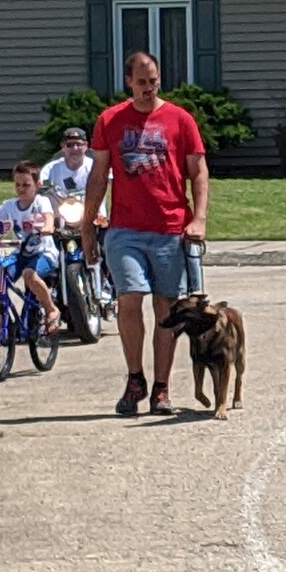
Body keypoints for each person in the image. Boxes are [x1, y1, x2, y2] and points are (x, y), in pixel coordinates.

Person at [82, 50, 210, 417]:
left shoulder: (180, 120)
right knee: (130, 298)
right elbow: (97, 177)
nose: (148, 88)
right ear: (128, 82)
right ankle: (135, 377)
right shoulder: (110, 120)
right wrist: (88, 226)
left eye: (153, 81)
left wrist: (198, 218)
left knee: (166, 308)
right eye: (141, 82)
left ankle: (161, 388)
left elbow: (199, 172)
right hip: (126, 229)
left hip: (170, 227)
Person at [0, 161, 65, 337]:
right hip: (20, 253)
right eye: (17, 185)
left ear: (38, 185)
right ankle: (0, 323)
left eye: (26, 184)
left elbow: (48, 217)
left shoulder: (41, 201)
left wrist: (47, 227)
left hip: (43, 253)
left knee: (28, 274)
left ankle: (51, 309)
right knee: (0, 277)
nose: (21, 189)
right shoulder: (9, 205)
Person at [41, 126, 96, 210]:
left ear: (86, 146)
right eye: (69, 145)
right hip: (60, 214)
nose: (75, 148)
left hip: (92, 213)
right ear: (63, 146)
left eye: (79, 144)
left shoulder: (95, 167)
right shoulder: (50, 169)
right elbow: (44, 188)